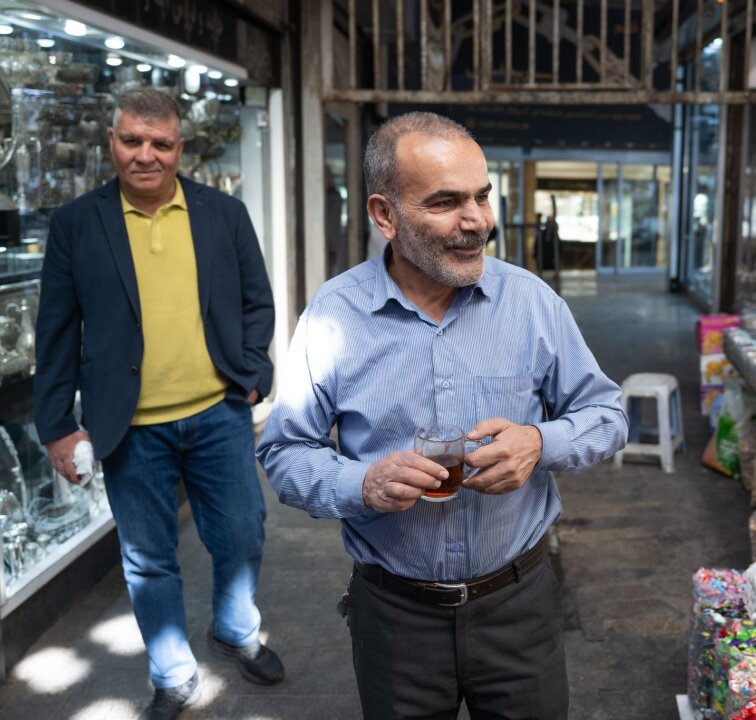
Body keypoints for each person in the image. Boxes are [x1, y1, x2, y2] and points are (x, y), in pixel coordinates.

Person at [256, 111, 627, 719]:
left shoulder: (531, 303)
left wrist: (539, 440)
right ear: (385, 216)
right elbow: (283, 451)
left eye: (482, 195)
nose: (477, 219)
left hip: (520, 607)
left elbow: (607, 413)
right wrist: (362, 482)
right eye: (446, 202)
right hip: (395, 617)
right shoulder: (333, 317)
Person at [33, 87, 282, 720]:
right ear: (111, 142)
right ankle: (172, 676)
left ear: (179, 147)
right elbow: (56, 331)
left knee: (242, 534)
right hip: (130, 429)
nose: (145, 155)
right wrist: (58, 426)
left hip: (218, 413)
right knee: (148, 561)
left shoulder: (223, 214)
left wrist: (252, 373)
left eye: (160, 143)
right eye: (131, 141)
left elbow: (257, 301)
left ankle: (235, 629)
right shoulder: (76, 224)